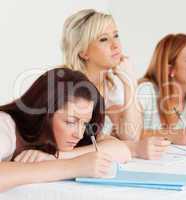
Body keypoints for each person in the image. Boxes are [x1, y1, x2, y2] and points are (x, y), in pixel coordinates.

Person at [61, 9, 170, 160]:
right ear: (83, 52)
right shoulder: (66, 85)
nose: (116, 45)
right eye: (104, 39)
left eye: (116, 36)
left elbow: (130, 135)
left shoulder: (111, 85)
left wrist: (129, 83)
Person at [0, 68, 131, 192]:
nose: (79, 135)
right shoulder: (5, 124)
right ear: (43, 114)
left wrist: (56, 157)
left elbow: (121, 151)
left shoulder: (74, 133)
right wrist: (73, 166)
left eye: (85, 123)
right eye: (70, 122)